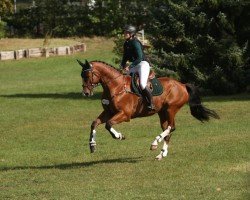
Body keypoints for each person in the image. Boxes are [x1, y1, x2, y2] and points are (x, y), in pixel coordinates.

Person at [120, 25, 155, 110]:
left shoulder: (135, 42)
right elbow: (125, 56)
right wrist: (122, 65)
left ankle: (151, 103)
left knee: (142, 84)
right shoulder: (126, 43)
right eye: (124, 32)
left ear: (131, 34)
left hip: (143, 64)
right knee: (124, 80)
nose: (125, 34)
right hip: (135, 65)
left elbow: (139, 58)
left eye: (126, 32)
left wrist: (130, 66)